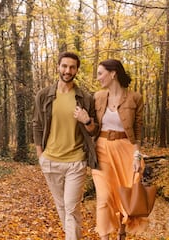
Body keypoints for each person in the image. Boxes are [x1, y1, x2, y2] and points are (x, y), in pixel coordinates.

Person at [32, 51, 98, 240]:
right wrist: (40, 155)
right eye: (64, 66)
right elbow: (36, 124)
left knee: (71, 207)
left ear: (77, 70)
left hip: (75, 162)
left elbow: (94, 130)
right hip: (50, 161)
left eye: (72, 67)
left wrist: (86, 120)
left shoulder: (85, 98)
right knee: (62, 207)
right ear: (58, 67)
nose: (67, 70)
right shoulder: (44, 95)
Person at [92, 59, 146, 240]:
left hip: (126, 149)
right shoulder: (97, 97)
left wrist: (137, 156)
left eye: (100, 73)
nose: (98, 77)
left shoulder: (135, 98)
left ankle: (122, 232)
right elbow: (91, 127)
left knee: (125, 193)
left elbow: (138, 132)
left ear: (113, 73)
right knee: (104, 196)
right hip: (101, 149)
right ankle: (104, 237)